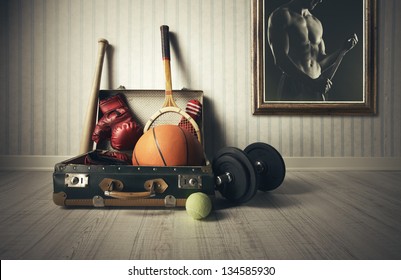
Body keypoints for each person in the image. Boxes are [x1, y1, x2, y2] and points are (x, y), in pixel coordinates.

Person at [267, 0, 358, 101]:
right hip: (294, 86)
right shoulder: (282, 16)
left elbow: (320, 63)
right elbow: (280, 59)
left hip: (317, 87)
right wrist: (312, 84)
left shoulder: (316, 22)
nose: (320, 0)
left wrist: (343, 50)